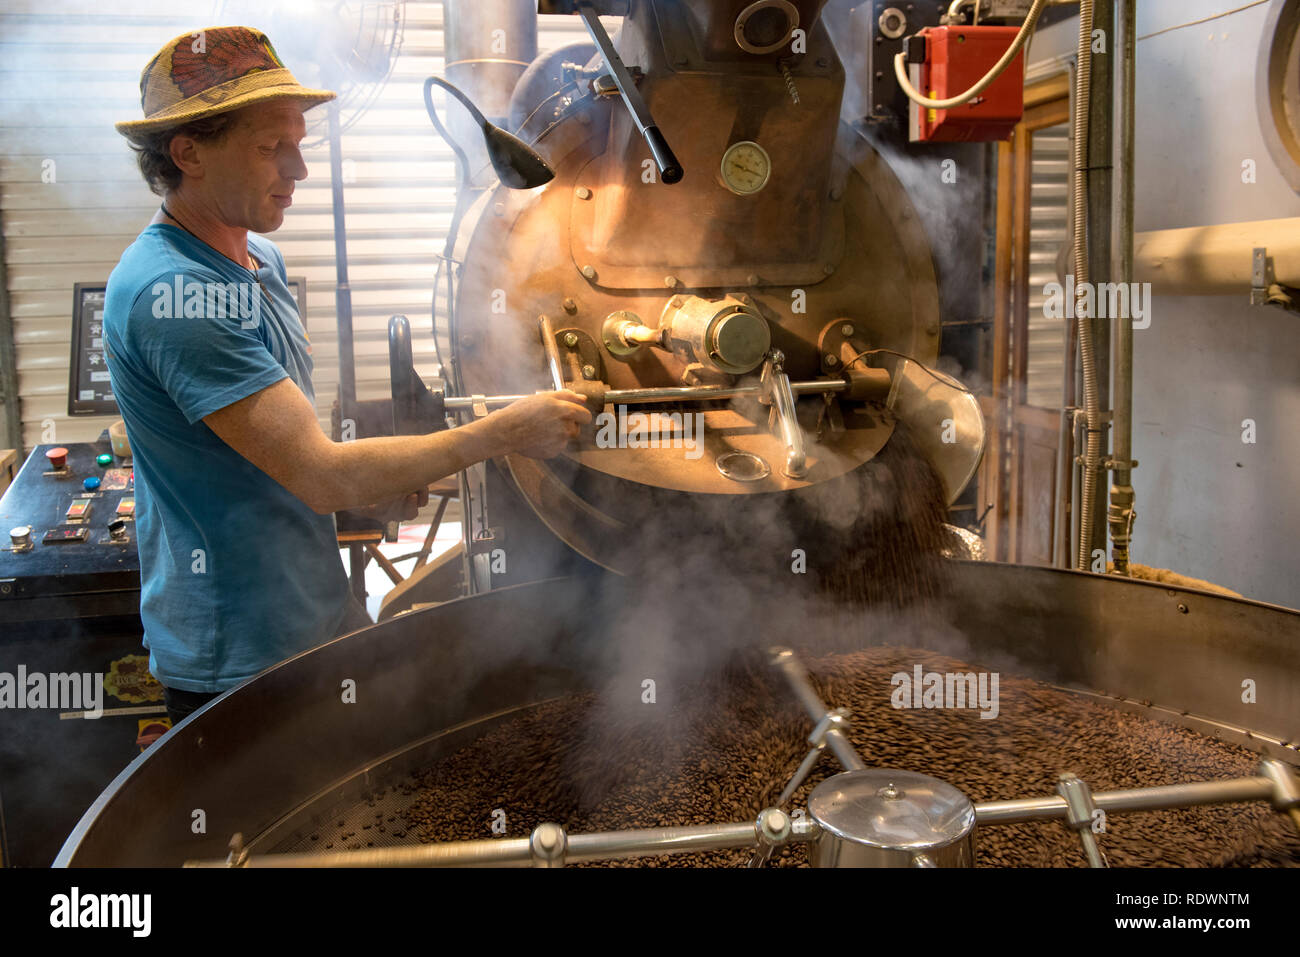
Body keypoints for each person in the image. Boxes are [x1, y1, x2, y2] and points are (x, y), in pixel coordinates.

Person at [104, 26, 591, 726]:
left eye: (299, 143)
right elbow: (321, 472)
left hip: (312, 616)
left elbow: (281, 456)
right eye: (272, 148)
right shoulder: (172, 292)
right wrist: (506, 431)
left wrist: (369, 496)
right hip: (240, 657)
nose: (298, 169)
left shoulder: (257, 264)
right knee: (271, 833)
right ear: (188, 154)